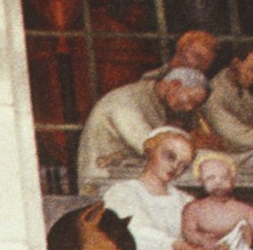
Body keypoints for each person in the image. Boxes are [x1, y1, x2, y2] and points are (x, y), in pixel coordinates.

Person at [72, 62, 215, 189]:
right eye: (189, 100)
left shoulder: (161, 102)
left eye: (195, 105)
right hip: (104, 183)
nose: (189, 108)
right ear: (175, 84)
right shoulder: (124, 102)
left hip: (131, 179)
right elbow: (151, 146)